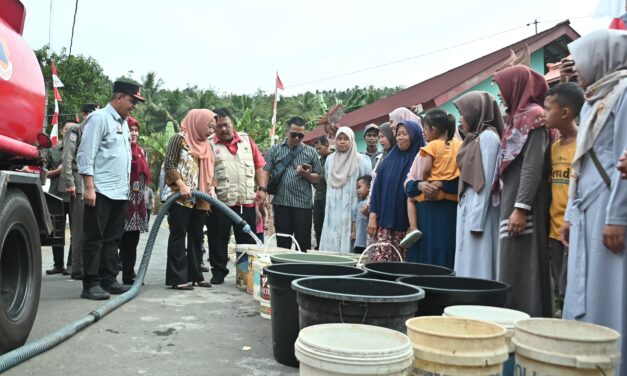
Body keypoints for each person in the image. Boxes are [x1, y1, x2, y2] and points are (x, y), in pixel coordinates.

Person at [562, 30, 627, 362]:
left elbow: (622, 160)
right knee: (583, 289)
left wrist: (618, 217)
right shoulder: (592, 100)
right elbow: (579, 163)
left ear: (600, 57)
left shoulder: (624, 93)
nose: (577, 68)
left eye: (582, 57)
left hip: (608, 209)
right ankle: (583, 358)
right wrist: (570, 216)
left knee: (611, 291)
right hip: (585, 210)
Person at [493, 65, 552, 317]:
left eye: (502, 88)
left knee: (525, 262)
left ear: (515, 86)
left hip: (525, 203)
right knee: (511, 261)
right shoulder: (515, 118)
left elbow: (532, 165)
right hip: (512, 199)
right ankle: (512, 317)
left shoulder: (534, 117)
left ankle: (528, 319)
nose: (500, 95)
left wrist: (521, 207)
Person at [77, 80, 143, 300]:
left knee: (113, 238)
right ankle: (91, 283)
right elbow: (86, 154)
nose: (134, 105)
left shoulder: (123, 123)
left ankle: (109, 280)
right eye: (132, 100)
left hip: (119, 192)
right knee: (94, 238)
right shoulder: (99, 118)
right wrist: (89, 187)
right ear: (119, 97)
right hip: (101, 190)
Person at [207, 108, 267, 285]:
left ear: (232, 123)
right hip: (221, 203)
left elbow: (259, 165)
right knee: (217, 239)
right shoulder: (209, 144)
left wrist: (262, 189)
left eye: (226, 125)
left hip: (246, 202)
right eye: (219, 126)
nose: (224, 129)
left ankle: (244, 275)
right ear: (214, 128)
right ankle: (218, 272)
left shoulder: (247, 141)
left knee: (246, 243)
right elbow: (207, 172)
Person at [452, 91, 504, 280]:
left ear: (475, 112)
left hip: (480, 214)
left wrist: (476, 221)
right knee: (468, 260)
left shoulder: (488, 138)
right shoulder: (474, 137)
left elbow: (488, 181)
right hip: (470, 208)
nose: (461, 119)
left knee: (479, 261)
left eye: (463, 113)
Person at [163, 109, 216, 290]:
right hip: (180, 197)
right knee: (179, 235)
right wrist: (181, 184)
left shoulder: (207, 145)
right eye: (209, 126)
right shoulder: (179, 139)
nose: (211, 131)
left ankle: (196, 275)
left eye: (213, 128)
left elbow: (211, 171)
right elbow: (169, 163)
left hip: (200, 198)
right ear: (198, 122)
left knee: (197, 236)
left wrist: (212, 189)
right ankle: (177, 278)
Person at [543, 82, 584, 309]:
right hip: (554, 230)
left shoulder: (583, 145)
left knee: (573, 288)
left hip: (575, 230)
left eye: (548, 109)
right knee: (559, 286)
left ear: (565, 112)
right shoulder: (554, 148)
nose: (544, 113)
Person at [405, 109, 461, 268]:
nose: (423, 132)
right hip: (433, 213)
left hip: (444, 213)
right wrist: (420, 185)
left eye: (425, 128)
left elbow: (466, 182)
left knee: (441, 253)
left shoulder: (432, 148)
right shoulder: (459, 147)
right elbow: (408, 184)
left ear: (434, 129)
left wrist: (438, 184)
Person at [368, 120, 425, 261]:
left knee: (403, 267)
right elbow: (377, 189)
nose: (400, 137)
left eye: (405, 134)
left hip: (409, 227)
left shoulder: (422, 159)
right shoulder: (388, 160)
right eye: (398, 134)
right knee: (382, 267)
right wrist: (373, 216)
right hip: (385, 226)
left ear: (415, 135)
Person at [264, 117, 322, 251]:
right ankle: (282, 269)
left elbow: (318, 177)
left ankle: (301, 270)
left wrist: (306, 174)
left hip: (303, 205)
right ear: (286, 132)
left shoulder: (310, 151)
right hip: (281, 203)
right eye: (293, 134)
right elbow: (265, 171)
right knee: (282, 243)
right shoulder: (275, 149)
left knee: (303, 243)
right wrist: (263, 191)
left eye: (300, 135)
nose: (296, 138)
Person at [59, 104, 98, 280]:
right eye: (92, 112)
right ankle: (76, 269)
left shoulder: (94, 131)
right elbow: (67, 156)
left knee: (88, 229)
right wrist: (69, 182)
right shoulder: (75, 130)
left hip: (90, 185)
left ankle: (84, 266)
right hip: (77, 184)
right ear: (84, 114)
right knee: (78, 230)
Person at [319, 127, 372, 253]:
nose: (342, 142)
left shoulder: (361, 160)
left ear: (352, 140)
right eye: (339, 139)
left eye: (346, 139)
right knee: (332, 235)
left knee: (349, 237)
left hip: (352, 207)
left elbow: (366, 183)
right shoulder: (330, 160)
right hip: (333, 206)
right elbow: (328, 179)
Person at [119, 116, 151, 285]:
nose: (134, 133)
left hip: (138, 202)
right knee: (121, 240)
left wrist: (146, 200)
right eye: (131, 129)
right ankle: (118, 274)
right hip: (124, 200)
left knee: (133, 240)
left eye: (136, 130)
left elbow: (145, 177)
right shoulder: (121, 149)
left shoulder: (141, 151)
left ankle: (129, 273)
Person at [45, 122, 74, 276]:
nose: (69, 132)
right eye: (67, 130)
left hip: (74, 196)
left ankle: (71, 264)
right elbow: (43, 171)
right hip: (56, 195)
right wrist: (56, 171)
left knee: (75, 232)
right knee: (57, 232)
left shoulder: (79, 150)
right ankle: (58, 264)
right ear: (63, 131)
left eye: (72, 130)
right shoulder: (53, 151)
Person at [313, 136, 332, 249]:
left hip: (328, 196)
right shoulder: (319, 160)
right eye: (317, 149)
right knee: (317, 224)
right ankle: (319, 247)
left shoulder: (334, 158)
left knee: (328, 225)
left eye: (320, 148)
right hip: (318, 196)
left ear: (327, 145)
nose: (318, 151)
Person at [353, 175, 372, 254]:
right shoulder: (359, 204)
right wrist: (353, 232)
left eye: (360, 187)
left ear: (368, 188)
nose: (358, 190)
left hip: (366, 242)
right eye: (357, 188)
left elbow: (372, 218)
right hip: (358, 241)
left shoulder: (369, 203)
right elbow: (354, 219)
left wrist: (366, 212)